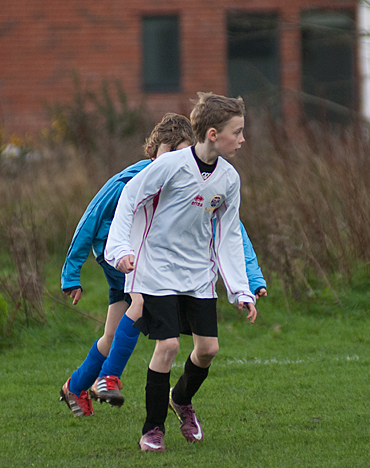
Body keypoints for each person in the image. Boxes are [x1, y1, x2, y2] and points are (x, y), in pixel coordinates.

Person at [59, 112, 266, 418]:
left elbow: (232, 230)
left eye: (184, 153)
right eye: (170, 152)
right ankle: (109, 378)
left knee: (112, 334)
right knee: (140, 303)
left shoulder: (194, 182)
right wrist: (71, 274)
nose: (176, 160)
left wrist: (252, 276)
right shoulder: (131, 179)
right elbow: (89, 220)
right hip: (117, 254)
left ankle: (74, 387)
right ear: (153, 151)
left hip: (148, 258)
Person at [105, 92, 257, 452]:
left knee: (208, 350)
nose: (242, 139)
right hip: (157, 270)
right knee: (169, 346)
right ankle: (152, 430)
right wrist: (121, 251)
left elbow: (229, 235)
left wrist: (241, 289)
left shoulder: (229, 180)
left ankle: (181, 399)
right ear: (213, 134)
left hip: (197, 275)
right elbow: (129, 198)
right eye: (238, 131)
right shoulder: (171, 165)